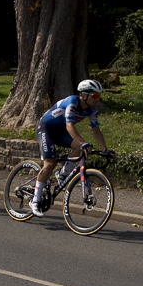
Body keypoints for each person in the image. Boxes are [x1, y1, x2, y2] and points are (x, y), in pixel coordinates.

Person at [30, 79, 112, 217]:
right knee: (50, 163)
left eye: (99, 96)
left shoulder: (92, 109)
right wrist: (82, 142)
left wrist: (106, 150)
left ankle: (62, 174)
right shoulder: (72, 102)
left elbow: (96, 130)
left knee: (80, 148)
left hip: (61, 132)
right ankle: (35, 201)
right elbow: (70, 126)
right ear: (84, 95)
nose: (97, 99)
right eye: (95, 96)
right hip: (46, 128)